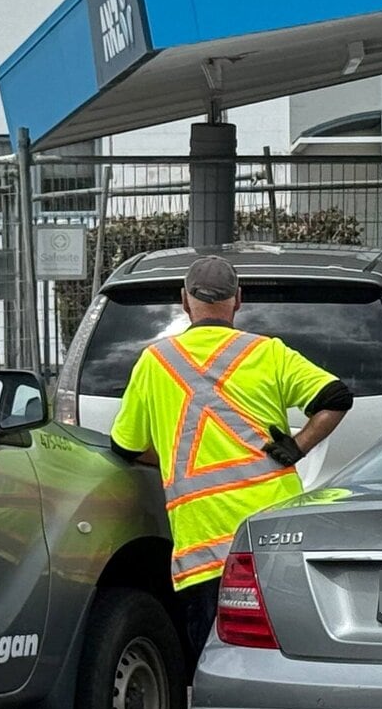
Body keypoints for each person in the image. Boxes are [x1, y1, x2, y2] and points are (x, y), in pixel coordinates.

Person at [109, 255, 353, 672]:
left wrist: (171, 456)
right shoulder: (269, 354)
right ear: (238, 300)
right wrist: (298, 446)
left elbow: (126, 448)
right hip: (273, 539)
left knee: (219, 667)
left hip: (203, 551)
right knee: (286, 663)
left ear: (184, 301)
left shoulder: (155, 363)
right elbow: (335, 397)